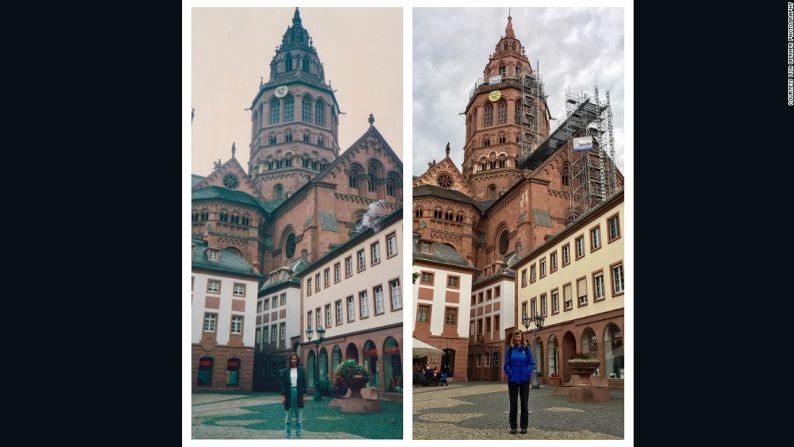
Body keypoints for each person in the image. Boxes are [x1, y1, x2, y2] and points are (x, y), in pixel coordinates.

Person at [503, 330, 536, 434]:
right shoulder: (510, 350)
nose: (518, 338)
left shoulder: (526, 349)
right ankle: (513, 426)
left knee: (524, 404)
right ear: (514, 338)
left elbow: (531, 363)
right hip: (512, 380)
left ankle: (524, 426)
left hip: (524, 380)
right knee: (513, 404)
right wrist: (511, 373)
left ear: (522, 337)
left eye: (519, 337)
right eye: (516, 337)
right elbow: (506, 364)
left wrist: (526, 373)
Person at [280, 353, 307, 438]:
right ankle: (288, 436)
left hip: (299, 393)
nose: (293, 360)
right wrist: (284, 397)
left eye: (295, 359)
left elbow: (303, 384)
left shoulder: (302, 370)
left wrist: (304, 396)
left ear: (297, 360)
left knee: (299, 418)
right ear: (289, 360)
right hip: (289, 393)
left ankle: (298, 436)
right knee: (288, 417)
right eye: (292, 359)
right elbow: (283, 385)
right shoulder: (285, 371)